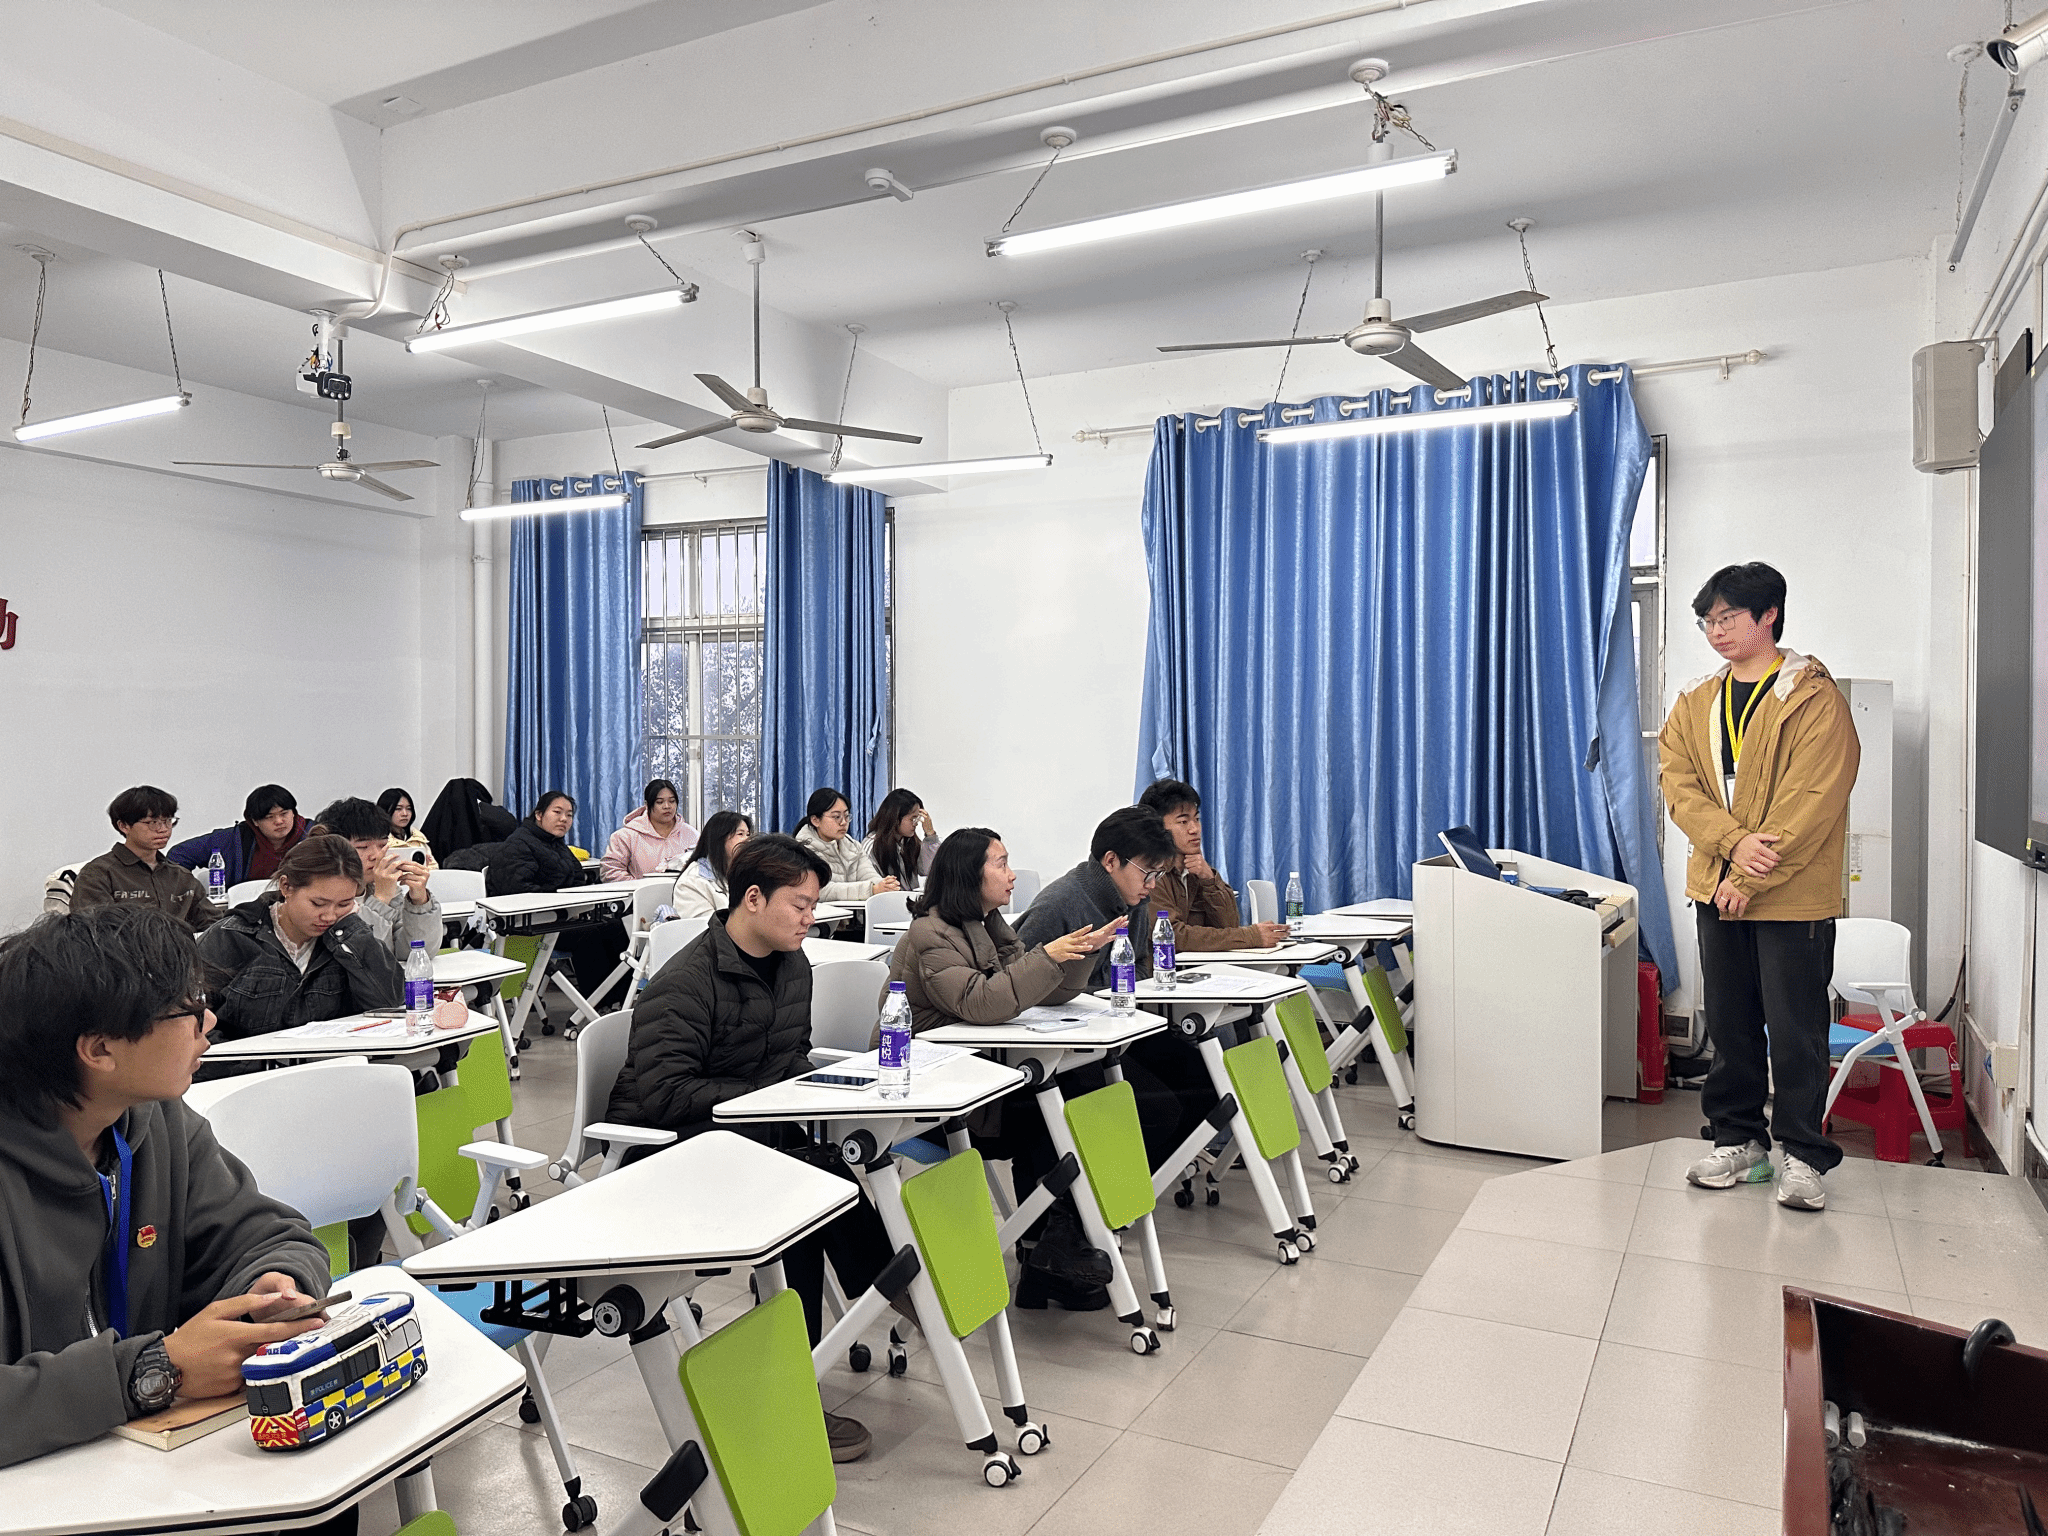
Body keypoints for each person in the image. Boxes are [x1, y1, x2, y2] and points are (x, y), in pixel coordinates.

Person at [0, 906, 333, 1471]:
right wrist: (153, 1371)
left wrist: (271, 1287)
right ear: (99, 1050)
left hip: (140, 1464)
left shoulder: (156, 1122)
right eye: (188, 1009)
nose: (209, 1022)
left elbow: (268, 1234)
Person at [605, 835, 891, 1463]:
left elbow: (792, 1055)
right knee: (804, 1199)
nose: (810, 918)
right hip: (665, 1150)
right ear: (753, 899)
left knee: (835, 1170)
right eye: (800, 905)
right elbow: (665, 1096)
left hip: (745, 1132)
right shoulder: (687, 981)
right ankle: (801, 1380)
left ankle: (887, 1293)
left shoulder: (793, 964)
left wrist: (819, 1093)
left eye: (813, 905)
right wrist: (769, 1098)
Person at [1661, 562, 1860, 1212]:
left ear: (1769, 614)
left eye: (1728, 617)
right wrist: (1731, 848)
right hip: (1717, 886)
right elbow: (1678, 785)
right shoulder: (1696, 700)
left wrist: (1750, 871)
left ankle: (1803, 1154)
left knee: (1796, 1029)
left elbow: (1813, 800)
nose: (1715, 631)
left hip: (1790, 893)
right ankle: (1739, 1140)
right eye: (1707, 621)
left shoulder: (1812, 697)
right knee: (1730, 1023)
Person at [886, 828, 1118, 1308]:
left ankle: (1049, 1249)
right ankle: (1050, 1247)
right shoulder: (929, 933)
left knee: (1067, 1091)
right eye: (1001, 864)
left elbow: (1042, 991)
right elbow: (982, 1001)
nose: (1012, 875)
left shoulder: (989, 924)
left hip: (978, 1078)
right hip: (930, 1095)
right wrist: (1048, 956)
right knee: (1048, 1110)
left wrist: (1080, 953)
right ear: (968, 876)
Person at [1017, 807, 1217, 1170]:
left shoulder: (1133, 899)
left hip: (1116, 1028)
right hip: (1065, 1045)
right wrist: (1099, 993)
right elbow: (1017, 983)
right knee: (1158, 1110)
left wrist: (1116, 992)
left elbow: (1139, 963)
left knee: (1205, 1081)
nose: (1152, 885)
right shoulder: (1059, 903)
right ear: (1111, 861)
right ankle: (1105, 1185)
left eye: (1158, 874)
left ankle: (1141, 1178)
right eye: (1147, 873)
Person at [197, 836, 406, 1045]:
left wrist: (351, 930)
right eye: (318, 904)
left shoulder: (347, 938)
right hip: (247, 1063)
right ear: (286, 887)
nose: (329, 916)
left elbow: (389, 1003)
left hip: (333, 1060)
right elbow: (191, 1023)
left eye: (344, 904)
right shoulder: (230, 937)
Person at [489, 791, 625, 997]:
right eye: (557, 812)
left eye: (569, 815)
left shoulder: (555, 844)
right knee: (589, 935)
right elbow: (517, 891)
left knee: (614, 926)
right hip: (529, 925)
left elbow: (577, 879)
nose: (564, 819)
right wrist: (562, 904)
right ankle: (599, 1003)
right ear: (539, 814)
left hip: (559, 918)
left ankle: (623, 999)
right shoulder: (518, 844)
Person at [1137, 779, 1289, 951]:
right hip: (1162, 967)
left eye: (1197, 819)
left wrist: (1209, 880)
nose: (1195, 829)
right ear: (1157, 826)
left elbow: (1229, 925)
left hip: (1199, 965)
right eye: (1183, 822)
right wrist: (1251, 936)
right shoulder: (1150, 874)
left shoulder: (1197, 870)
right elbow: (1173, 935)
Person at [71, 786, 221, 935]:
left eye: (168, 821)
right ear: (124, 826)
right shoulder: (98, 874)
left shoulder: (181, 876)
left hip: (182, 949)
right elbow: (93, 931)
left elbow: (214, 925)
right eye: (153, 822)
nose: (163, 829)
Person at [310, 798, 442, 962]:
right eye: (362, 847)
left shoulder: (384, 888)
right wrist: (381, 899)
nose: (377, 856)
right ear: (334, 848)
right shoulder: (319, 897)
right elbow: (355, 959)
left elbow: (417, 953)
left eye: (382, 845)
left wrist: (420, 902)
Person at [168, 784, 308, 888]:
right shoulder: (235, 839)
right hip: (245, 911)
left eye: (284, 814)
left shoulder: (312, 835)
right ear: (255, 821)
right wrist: (191, 895)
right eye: (269, 817)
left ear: (293, 813)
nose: (279, 821)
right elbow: (179, 854)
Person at [793, 788, 899, 903]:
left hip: (853, 913)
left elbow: (869, 875)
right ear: (815, 820)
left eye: (847, 816)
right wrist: (870, 889)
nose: (844, 822)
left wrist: (885, 885)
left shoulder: (853, 846)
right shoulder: (803, 849)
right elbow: (820, 890)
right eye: (836, 817)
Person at [601, 779, 699, 881]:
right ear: (647, 805)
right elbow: (610, 872)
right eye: (659, 802)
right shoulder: (625, 836)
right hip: (639, 891)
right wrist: (641, 887)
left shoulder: (692, 834)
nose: (667, 806)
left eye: (672, 801)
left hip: (683, 890)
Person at [671, 811, 753, 920]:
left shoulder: (744, 873)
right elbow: (705, 927)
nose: (747, 841)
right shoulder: (692, 881)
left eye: (748, 835)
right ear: (719, 838)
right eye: (740, 834)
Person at [863, 789, 939, 892]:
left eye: (917, 818)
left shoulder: (908, 842)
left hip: (907, 899)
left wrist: (930, 835)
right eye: (912, 819)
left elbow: (928, 869)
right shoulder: (872, 846)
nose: (916, 823)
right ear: (895, 817)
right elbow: (870, 886)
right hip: (886, 900)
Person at [379, 787, 437, 867]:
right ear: (385, 810)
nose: (405, 813)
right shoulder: (378, 840)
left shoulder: (418, 838)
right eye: (398, 809)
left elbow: (433, 867)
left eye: (409, 809)